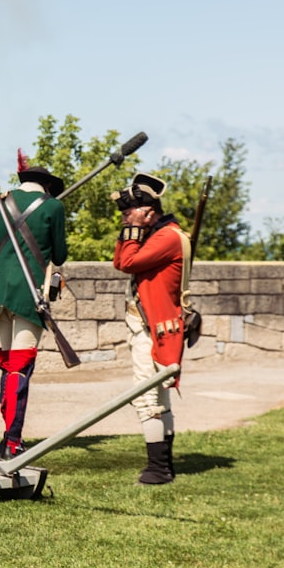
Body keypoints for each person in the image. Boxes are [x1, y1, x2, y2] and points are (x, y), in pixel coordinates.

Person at [0, 149, 68, 459]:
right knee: (21, 368)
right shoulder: (54, 207)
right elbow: (60, 255)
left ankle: (8, 437)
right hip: (29, 293)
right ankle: (12, 440)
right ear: (47, 185)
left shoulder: (1, 201)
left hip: (0, 292)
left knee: (9, 365)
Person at [111, 172, 186, 485]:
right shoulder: (158, 234)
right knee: (157, 397)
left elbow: (128, 262)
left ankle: (158, 468)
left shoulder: (167, 237)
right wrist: (132, 230)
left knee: (146, 397)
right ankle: (164, 465)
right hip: (147, 324)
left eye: (131, 211)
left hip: (153, 327)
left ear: (150, 211)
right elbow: (120, 261)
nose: (126, 217)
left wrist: (131, 232)